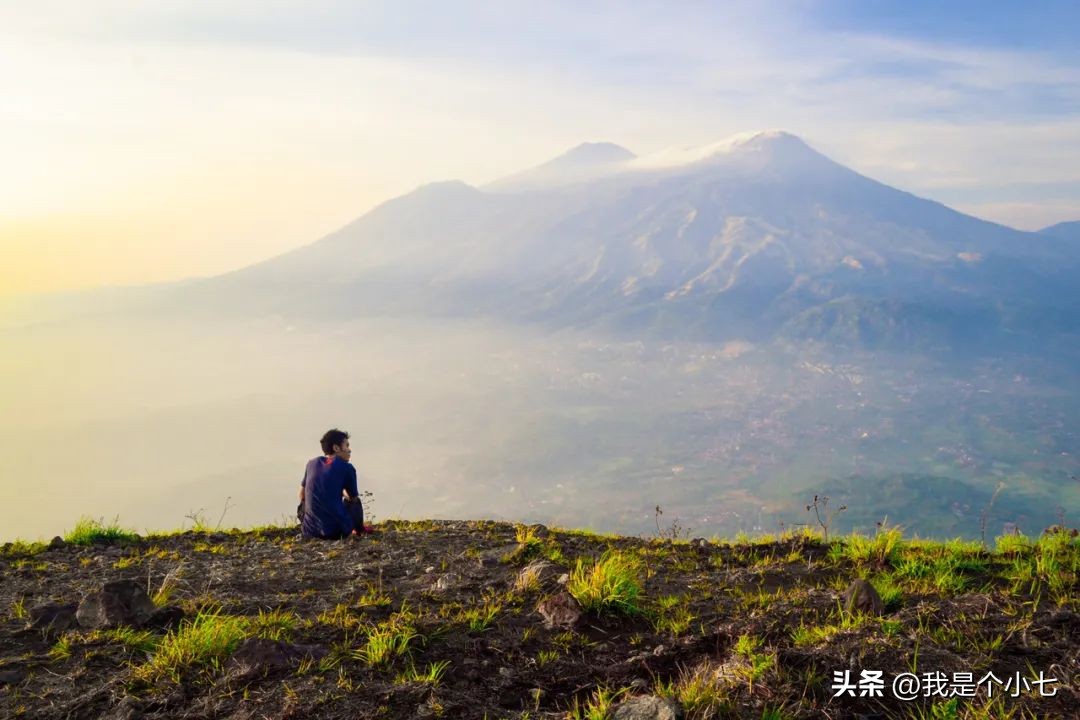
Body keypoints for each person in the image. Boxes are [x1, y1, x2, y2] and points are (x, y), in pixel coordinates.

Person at [298, 428, 364, 539]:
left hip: (309, 532)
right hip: (336, 533)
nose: (349, 450)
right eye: (347, 446)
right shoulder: (347, 468)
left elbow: (301, 495)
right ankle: (358, 531)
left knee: (305, 502)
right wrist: (341, 492)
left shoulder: (311, 463)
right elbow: (352, 498)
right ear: (336, 448)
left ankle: (310, 525)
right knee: (355, 502)